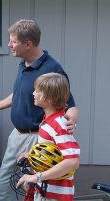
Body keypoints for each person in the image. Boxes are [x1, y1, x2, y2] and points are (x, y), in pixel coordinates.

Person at [0, 19, 79, 201]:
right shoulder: (24, 64)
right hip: (17, 136)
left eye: (13, 41)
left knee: (32, 191)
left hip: (37, 137)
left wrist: (70, 121)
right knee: (6, 187)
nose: (9, 45)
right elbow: (19, 93)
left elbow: (69, 104)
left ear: (27, 44)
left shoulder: (52, 69)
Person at [16, 72, 80, 201]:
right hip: (45, 190)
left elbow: (72, 161)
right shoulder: (49, 121)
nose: (33, 93)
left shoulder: (58, 124)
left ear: (49, 98)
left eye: (37, 91)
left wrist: (36, 177)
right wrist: (31, 155)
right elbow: (54, 152)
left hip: (54, 195)